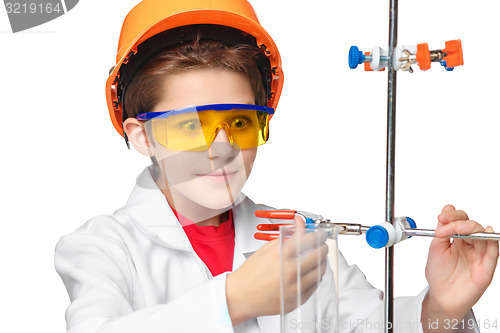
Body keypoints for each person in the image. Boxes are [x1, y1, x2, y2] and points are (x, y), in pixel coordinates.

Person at [54, 0, 498, 332]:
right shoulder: (101, 248)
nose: (222, 149)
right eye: (191, 126)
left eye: (241, 122)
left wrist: (442, 308)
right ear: (141, 135)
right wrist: (232, 300)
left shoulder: (303, 237)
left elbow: (368, 326)